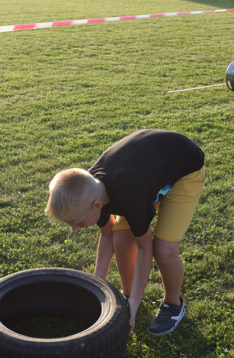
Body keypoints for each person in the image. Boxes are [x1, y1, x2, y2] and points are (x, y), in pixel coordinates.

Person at [45, 130, 205, 336]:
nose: (74, 228)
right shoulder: (94, 192)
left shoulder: (129, 195)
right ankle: (127, 296)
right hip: (151, 171)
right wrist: (97, 284)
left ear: (97, 205)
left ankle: (173, 305)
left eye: (77, 222)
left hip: (184, 169)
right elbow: (108, 235)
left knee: (163, 249)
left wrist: (138, 303)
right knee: (120, 237)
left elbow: (145, 249)